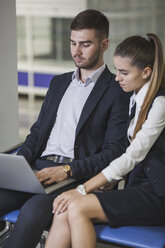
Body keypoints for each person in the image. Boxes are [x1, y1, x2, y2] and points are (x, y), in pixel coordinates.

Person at [0, 9, 130, 248]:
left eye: (85, 44)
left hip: (74, 176)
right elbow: (38, 132)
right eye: (73, 43)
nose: (76, 51)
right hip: (36, 170)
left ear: (104, 44)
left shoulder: (117, 91)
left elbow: (114, 152)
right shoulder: (58, 83)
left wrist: (67, 170)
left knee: (31, 213)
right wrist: (20, 165)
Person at [44, 33, 165, 248]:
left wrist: (83, 188)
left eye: (124, 72)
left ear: (146, 72)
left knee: (76, 205)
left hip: (157, 196)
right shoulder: (134, 98)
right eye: (117, 70)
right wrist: (109, 182)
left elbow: (133, 155)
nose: (117, 77)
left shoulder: (160, 104)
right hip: (137, 188)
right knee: (64, 209)